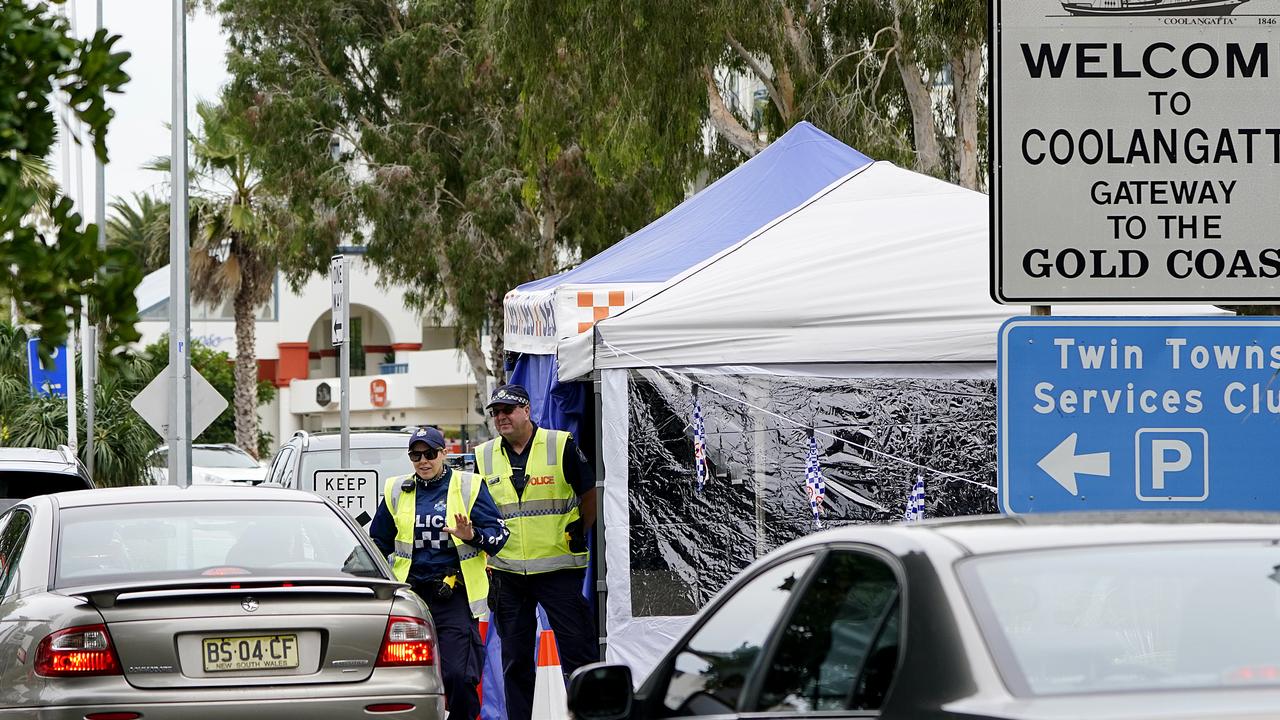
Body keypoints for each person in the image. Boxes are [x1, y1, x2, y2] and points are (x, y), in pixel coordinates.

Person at [475, 383, 598, 720]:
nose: (501, 417)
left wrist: (580, 529)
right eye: (496, 412)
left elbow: (590, 493)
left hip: (559, 571)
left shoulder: (560, 445)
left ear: (526, 411)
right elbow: (476, 508)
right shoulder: (483, 456)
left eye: (508, 410)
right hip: (508, 574)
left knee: (578, 655)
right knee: (515, 661)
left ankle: (588, 715)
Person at [370, 426, 509, 720]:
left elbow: (499, 536)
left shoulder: (469, 485)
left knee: (458, 675)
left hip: (453, 596)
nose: (423, 461)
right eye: (416, 455)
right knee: (406, 676)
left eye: (430, 454)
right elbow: (378, 543)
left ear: (443, 453)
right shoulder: (397, 489)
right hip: (410, 598)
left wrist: (471, 535)